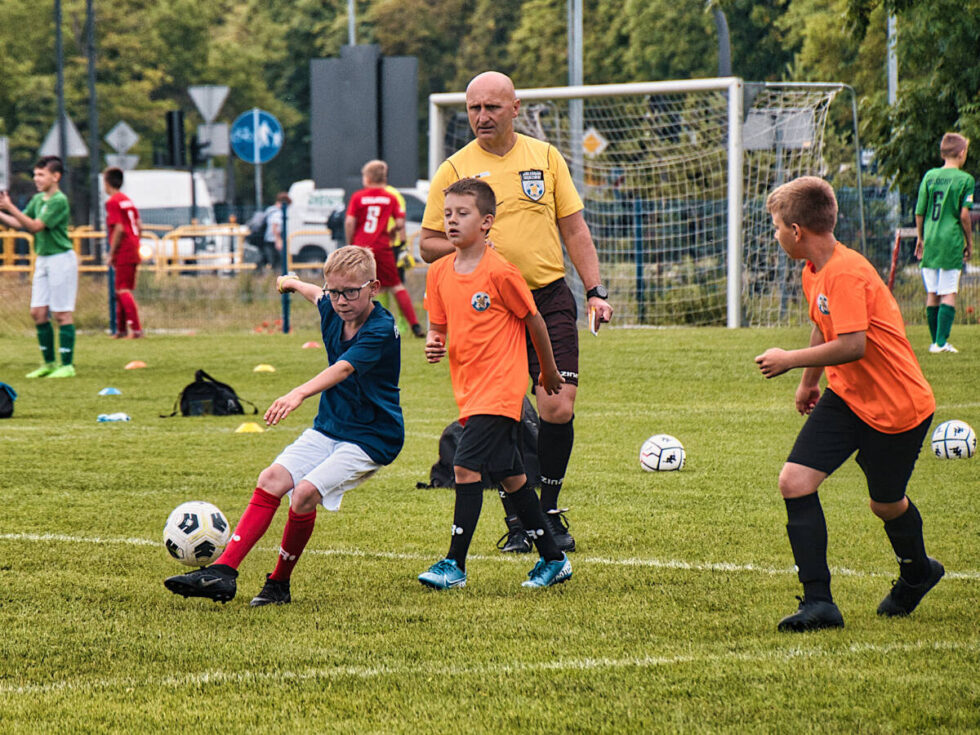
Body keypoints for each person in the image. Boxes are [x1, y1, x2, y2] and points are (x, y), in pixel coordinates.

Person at [419, 71, 613, 554]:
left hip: (547, 297)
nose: (482, 117)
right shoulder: (454, 170)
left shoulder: (545, 158)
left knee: (556, 406)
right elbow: (426, 245)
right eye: (474, 109)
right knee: (500, 414)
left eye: (492, 107)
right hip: (489, 309)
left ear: (515, 107)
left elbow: (575, 230)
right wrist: (471, 245)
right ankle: (520, 521)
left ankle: (546, 510)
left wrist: (595, 290)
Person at [164, 246, 404, 605]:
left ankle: (278, 584)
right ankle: (223, 572)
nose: (340, 300)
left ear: (374, 287)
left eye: (351, 291)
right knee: (271, 479)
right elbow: (314, 294)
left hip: (372, 436)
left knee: (304, 493)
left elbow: (343, 369)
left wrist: (298, 393)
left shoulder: (381, 328)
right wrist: (291, 282)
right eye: (335, 291)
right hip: (331, 426)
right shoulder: (331, 305)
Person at [755, 176, 942, 633]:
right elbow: (824, 324)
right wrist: (807, 382)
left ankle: (918, 571)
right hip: (846, 399)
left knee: (886, 504)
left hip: (898, 409)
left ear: (797, 231)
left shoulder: (846, 271)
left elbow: (853, 344)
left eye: (777, 227)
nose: (775, 235)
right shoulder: (813, 270)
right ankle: (819, 603)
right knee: (794, 481)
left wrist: (789, 359)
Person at [418, 178, 570, 590]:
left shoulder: (500, 271)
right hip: (468, 390)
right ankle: (554, 559)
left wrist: (549, 370)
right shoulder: (438, 273)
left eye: (462, 214)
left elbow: (534, 319)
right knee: (510, 475)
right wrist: (434, 344)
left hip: (501, 389)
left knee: (465, 467)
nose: (452, 221)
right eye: (447, 214)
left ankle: (454, 565)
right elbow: (438, 328)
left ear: (486, 222)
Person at [0, 156, 77, 378]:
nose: (37, 179)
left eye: (41, 174)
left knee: (62, 314)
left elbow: (34, 226)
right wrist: (3, 213)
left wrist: (10, 207)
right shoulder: (39, 199)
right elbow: (20, 223)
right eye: (35, 174)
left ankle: (67, 365)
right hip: (43, 258)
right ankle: (49, 363)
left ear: (56, 176)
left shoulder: (58, 200)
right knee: (38, 312)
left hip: (61, 259)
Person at [346, 160, 424, 338]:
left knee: (358, 287)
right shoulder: (390, 198)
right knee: (396, 285)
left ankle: (355, 327)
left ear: (367, 178)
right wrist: (392, 232)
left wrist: (351, 242)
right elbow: (399, 222)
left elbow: (350, 221)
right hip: (382, 247)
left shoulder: (358, 197)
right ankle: (415, 325)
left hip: (360, 248)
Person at [914, 132, 974, 354]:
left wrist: (921, 237)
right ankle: (940, 343)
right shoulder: (965, 179)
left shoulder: (930, 176)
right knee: (949, 291)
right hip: (950, 240)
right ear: (961, 153)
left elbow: (920, 211)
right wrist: (969, 242)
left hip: (930, 238)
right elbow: (965, 215)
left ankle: (935, 341)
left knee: (933, 292)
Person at [102, 167, 143, 338]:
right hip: (133, 245)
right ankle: (120, 330)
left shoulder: (112, 202)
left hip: (124, 248)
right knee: (121, 288)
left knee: (122, 290)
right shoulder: (127, 200)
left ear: (107, 182)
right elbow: (139, 225)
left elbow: (118, 228)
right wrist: (136, 241)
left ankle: (136, 329)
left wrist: (112, 253)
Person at [258, 192, 290, 272]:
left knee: (270, 260)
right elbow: (275, 227)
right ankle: (276, 276)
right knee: (279, 261)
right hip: (274, 239)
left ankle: (268, 274)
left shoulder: (270, 209)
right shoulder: (278, 212)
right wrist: (278, 240)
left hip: (267, 238)